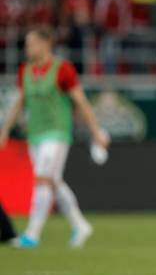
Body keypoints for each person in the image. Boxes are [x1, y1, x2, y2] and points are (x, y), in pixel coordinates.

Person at [0, 27, 109, 248]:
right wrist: (4, 130)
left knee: (42, 178)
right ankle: (80, 224)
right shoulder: (25, 70)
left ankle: (32, 234)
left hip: (57, 134)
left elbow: (80, 101)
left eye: (31, 43)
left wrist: (96, 131)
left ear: (46, 43)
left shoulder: (63, 70)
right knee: (53, 181)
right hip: (35, 134)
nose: (27, 48)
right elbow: (19, 103)